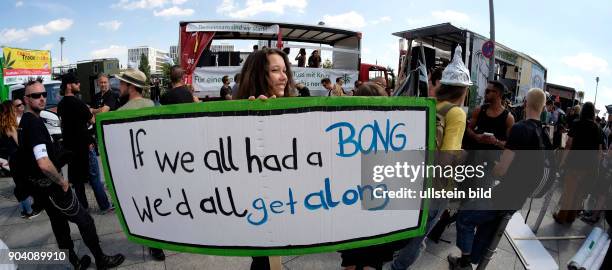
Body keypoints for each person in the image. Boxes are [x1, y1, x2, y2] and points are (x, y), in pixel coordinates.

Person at [17, 78, 124, 269]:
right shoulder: (33, 123)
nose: (41, 98)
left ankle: (75, 262)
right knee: (86, 220)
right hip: (53, 187)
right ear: (26, 99)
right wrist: (62, 182)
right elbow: (43, 163)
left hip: (41, 190)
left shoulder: (26, 121)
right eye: (35, 96)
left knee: (59, 226)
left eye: (43, 94)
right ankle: (100, 259)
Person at [448, 88, 548, 270]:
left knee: (464, 217)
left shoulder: (520, 128)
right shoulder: (544, 135)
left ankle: (464, 263)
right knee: (487, 226)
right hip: (518, 198)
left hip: (504, 194)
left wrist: (493, 167)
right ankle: (470, 261)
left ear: (525, 103)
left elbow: (501, 170)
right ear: (544, 107)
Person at [391, 46, 471, 270]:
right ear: (464, 89)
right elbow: (446, 159)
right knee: (419, 238)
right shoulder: (456, 113)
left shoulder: (429, 104)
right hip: (435, 188)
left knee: (409, 229)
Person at [236, 48, 294, 270]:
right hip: (259, 214)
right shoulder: (240, 112)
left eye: (284, 70)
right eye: (275, 70)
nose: (284, 76)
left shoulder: (291, 108)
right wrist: (251, 122)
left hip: (288, 207)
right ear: (259, 75)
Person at [57, 72, 113, 213]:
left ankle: (83, 207)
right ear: (69, 86)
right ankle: (104, 206)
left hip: (70, 149)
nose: (79, 84)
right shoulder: (78, 103)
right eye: (76, 83)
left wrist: (91, 109)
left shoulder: (61, 104)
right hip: (85, 147)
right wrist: (90, 111)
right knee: (94, 178)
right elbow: (92, 120)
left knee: (77, 180)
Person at [554, 102, 605, 224]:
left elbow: (568, 144)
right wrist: (597, 167)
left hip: (574, 163)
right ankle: (571, 217)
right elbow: (599, 151)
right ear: (593, 113)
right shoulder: (598, 128)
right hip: (589, 166)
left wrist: (562, 161)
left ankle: (562, 216)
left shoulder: (577, 123)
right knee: (579, 193)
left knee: (569, 191)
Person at [0, 101, 40, 219]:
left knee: (19, 184)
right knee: (25, 184)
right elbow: (19, 144)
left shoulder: (3, 126)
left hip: (12, 159)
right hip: (19, 158)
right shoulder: (11, 126)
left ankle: (24, 210)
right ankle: (29, 210)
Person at [466, 80, 515, 151]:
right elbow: (469, 129)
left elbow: (510, 145)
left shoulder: (508, 118)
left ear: (497, 94)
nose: (485, 93)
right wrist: (476, 136)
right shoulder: (479, 110)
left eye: (487, 91)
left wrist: (496, 141)